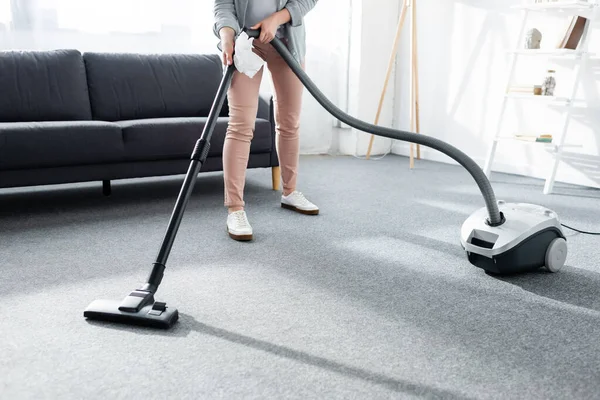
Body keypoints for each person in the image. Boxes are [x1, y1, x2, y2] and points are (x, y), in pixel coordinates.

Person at [213, 0, 319, 241]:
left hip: (286, 41)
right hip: (245, 41)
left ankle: (290, 192)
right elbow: (223, 5)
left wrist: (277, 18)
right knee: (240, 126)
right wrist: (227, 35)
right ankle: (235, 209)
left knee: (289, 121)